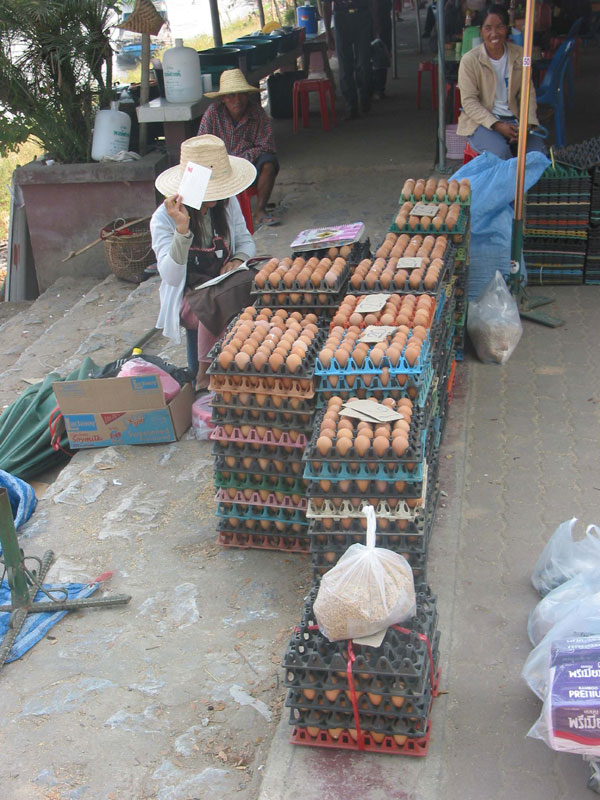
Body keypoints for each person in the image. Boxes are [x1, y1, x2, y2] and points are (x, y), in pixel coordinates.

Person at [151, 135, 257, 390]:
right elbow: (172, 277)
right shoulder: (163, 219)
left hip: (222, 283)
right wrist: (182, 230)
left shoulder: (226, 204)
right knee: (216, 303)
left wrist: (237, 260)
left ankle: (245, 368)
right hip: (188, 295)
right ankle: (205, 376)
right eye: (211, 191)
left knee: (256, 279)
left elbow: (246, 242)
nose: (217, 197)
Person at [457, 4, 545, 159]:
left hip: (514, 120)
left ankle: (525, 184)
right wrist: (497, 125)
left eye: (500, 27)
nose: (494, 33)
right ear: (481, 31)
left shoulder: (521, 55)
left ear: (507, 29)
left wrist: (527, 123)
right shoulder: (469, 60)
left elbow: (528, 93)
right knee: (501, 154)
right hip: (482, 122)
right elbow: (469, 102)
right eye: (488, 28)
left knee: (536, 156)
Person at [197, 69, 280, 227]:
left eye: (241, 94)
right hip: (219, 166)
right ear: (223, 98)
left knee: (269, 163)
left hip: (249, 165)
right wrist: (223, 160)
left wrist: (242, 158)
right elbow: (201, 145)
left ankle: (259, 211)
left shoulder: (257, 113)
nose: (237, 100)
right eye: (231, 95)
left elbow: (267, 146)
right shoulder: (213, 113)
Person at [323, 0, 380, 120]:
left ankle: (365, 98)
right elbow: (326, 4)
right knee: (345, 65)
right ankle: (351, 107)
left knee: (364, 62)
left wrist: (375, 23)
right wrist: (328, 32)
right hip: (341, 17)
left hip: (362, 15)